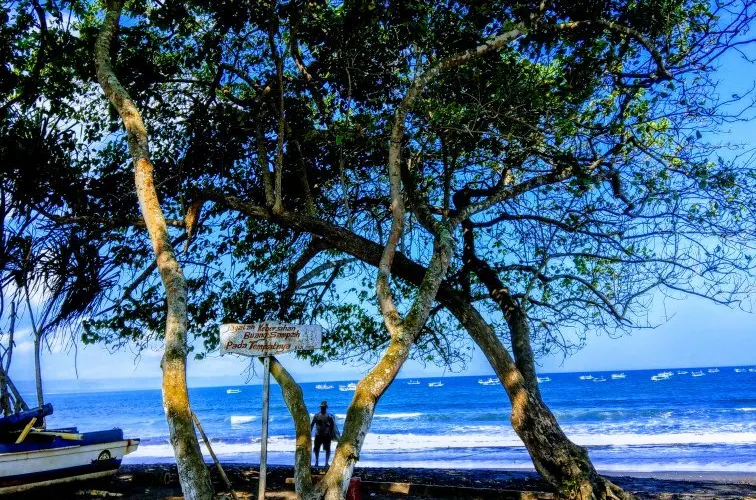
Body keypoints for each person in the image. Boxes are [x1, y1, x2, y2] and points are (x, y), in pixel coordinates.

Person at [310, 400, 339, 468]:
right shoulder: (316, 416)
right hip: (318, 435)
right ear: (320, 407)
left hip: (326, 435)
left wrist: (331, 434)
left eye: (324, 407)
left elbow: (332, 427)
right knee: (316, 449)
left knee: (327, 449)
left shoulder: (329, 416)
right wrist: (309, 434)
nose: (322, 408)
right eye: (322, 407)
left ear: (326, 407)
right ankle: (317, 462)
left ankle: (326, 463)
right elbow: (312, 425)